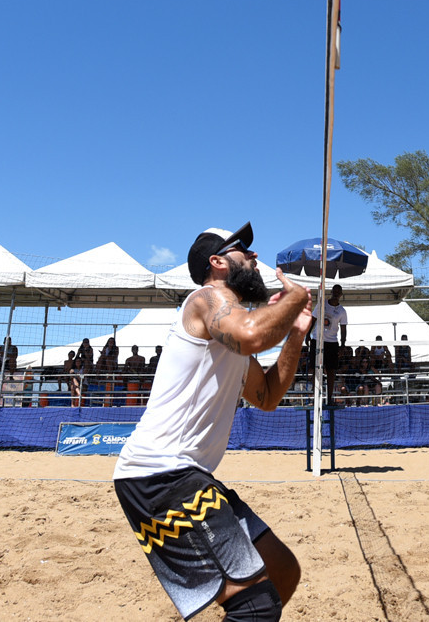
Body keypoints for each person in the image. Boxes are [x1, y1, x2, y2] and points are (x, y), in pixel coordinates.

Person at [113, 222, 314, 621]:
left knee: (283, 571)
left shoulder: (230, 331)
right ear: (218, 261)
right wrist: (296, 297)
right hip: (159, 477)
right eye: (245, 249)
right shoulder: (207, 298)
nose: (255, 257)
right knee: (255, 604)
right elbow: (253, 334)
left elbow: (268, 397)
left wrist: (294, 335)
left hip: (186, 475)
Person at [309, 284, 347, 405]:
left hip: (332, 343)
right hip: (317, 340)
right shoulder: (322, 304)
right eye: (334, 291)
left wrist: (342, 345)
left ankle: (329, 399)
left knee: (331, 371)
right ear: (331, 292)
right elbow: (313, 319)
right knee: (315, 370)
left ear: (341, 295)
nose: (336, 294)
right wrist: (307, 334)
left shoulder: (342, 311)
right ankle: (315, 398)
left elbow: (343, 329)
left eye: (338, 292)